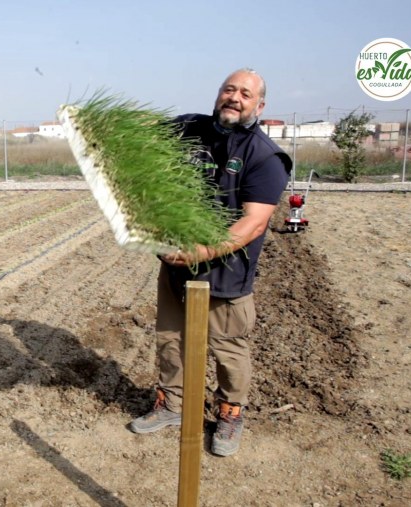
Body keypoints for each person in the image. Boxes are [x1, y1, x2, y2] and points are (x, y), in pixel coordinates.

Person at [128, 68, 292, 457]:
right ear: (218, 94)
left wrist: (200, 252)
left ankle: (230, 411)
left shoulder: (265, 156)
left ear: (259, 106)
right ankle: (173, 404)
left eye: (245, 94)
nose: (234, 97)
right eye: (228, 89)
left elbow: (253, 224)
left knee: (228, 347)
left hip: (225, 271)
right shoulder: (189, 128)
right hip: (176, 264)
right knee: (171, 338)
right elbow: (140, 136)